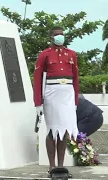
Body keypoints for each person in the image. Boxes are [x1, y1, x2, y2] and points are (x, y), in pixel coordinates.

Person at [33, 26, 79, 176]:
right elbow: (38, 79)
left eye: (61, 34)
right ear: (51, 37)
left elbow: (76, 78)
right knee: (52, 131)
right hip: (51, 93)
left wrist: (75, 101)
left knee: (64, 131)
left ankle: (61, 166)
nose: (60, 36)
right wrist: (38, 102)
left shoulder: (71, 54)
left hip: (67, 94)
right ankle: (52, 166)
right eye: (56, 35)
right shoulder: (44, 55)